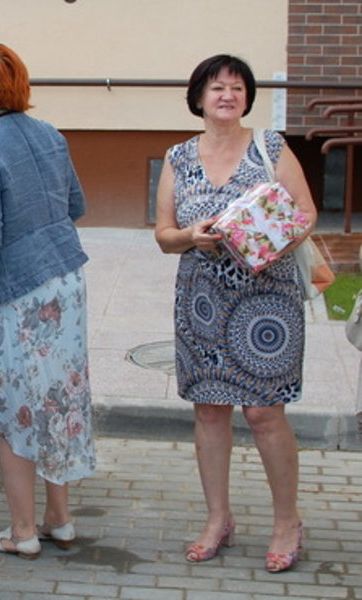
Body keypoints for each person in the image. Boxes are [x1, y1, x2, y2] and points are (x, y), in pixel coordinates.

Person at [154, 54, 316, 573]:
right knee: (209, 409)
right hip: (203, 299)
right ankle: (218, 518)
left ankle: (287, 521)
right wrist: (189, 237)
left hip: (268, 302)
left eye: (237, 87)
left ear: (247, 97)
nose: (228, 94)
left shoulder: (271, 147)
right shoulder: (178, 157)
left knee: (265, 412)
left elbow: (306, 212)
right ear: (198, 97)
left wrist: (263, 240)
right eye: (217, 87)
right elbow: (163, 234)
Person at [0, 43, 96, 560]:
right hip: (65, 284)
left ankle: (23, 530)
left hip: (15, 294)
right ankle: (61, 519)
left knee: (14, 412)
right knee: (58, 401)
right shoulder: (49, 134)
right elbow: (75, 204)